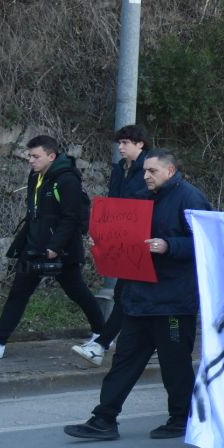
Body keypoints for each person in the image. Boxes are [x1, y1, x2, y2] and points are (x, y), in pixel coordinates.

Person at [63, 149, 210, 441]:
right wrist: (103, 240)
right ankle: (104, 418)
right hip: (139, 298)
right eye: (144, 171)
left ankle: (182, 418)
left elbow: (207, 244)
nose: (146, 176)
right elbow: (129, 237)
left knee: (175, 364)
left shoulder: (191, 198)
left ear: (170, 171)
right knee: (124, 360)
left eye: (152, 171)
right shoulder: (143, 198)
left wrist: (170, 245)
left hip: (172, 302)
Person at [0, 136, 108, 360]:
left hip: (62, 250)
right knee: (19, 292)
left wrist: (54, 247)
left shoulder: (67, 180)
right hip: (34, 246)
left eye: (36, 156)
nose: (30, 160)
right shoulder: (36, 176)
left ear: (51, 156)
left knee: (77, 291)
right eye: (29, 156)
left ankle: (102, 333)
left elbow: (71, 218)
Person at [75, 125, 155, 365]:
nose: (120, 148)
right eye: (119, 143)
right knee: (130, 295)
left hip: (142, 239)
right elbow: (113, 204)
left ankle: (102, 343)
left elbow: (142, 205)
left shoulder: (149, 169)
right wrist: (104, 233)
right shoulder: (120, 169)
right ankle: (108, 343)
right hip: (126, 237)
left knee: (128, 294)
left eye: (125, 143)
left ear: (140, 144)